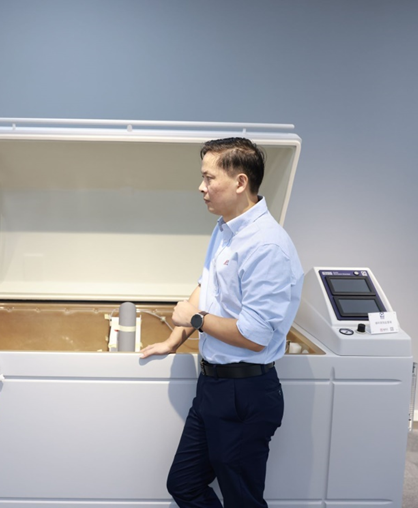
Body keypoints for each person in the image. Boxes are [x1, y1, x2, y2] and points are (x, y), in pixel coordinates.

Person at [140, 137, 303, 508]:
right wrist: (173, 340)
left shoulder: (267, 246)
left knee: (242, 500)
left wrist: (195, 320)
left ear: (240, 182)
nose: (201, 187)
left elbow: (255, 336)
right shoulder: (225, 228)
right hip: (213, 386)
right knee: (184, 484)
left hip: (244, 392)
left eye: (209, 178)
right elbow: (206, 286)